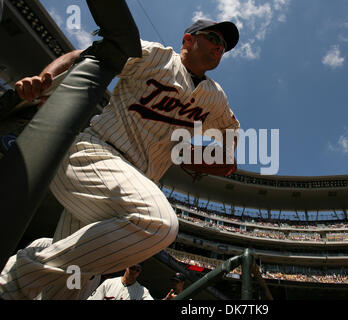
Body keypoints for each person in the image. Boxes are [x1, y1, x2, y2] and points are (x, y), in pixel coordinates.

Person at [0, 19, 240, 300]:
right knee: (158, 224)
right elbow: (82, 55)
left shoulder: (215, 97)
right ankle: (22, 273)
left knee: (68, 288)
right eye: (213, 37)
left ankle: (29, 268)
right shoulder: (154, 55)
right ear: (188, 39)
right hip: (94, 154)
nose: (218, 46)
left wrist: (218, 159)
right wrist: (45, 80)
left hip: (127, 187)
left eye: (223, 45)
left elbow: (230, 131)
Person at [87, 264, 153, 300]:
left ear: (139, 273)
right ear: (126, 267)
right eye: (132, 268)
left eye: (137, 270)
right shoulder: (109, 283)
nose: (134, 271)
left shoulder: (142, 291)